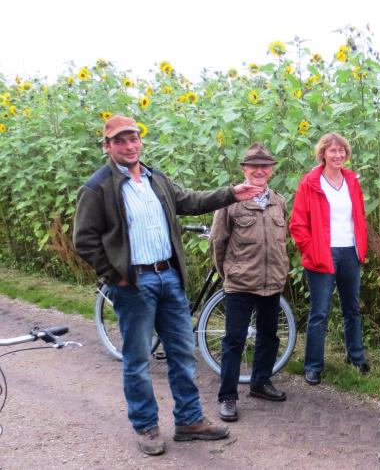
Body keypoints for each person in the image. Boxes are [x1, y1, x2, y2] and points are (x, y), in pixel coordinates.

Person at [73, 115, 263, 456]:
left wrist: (232, 193)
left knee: (181, 353)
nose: (129, 146)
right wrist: (115, 274)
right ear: (108, 146)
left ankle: (190, 421)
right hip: (133, 283)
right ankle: (146, 426)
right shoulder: (97, 187)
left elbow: (190, 201)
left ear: (140, 141)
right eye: (120, 141)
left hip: (168, 277)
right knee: (138, 359)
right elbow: (84, 240)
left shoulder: (154, 178)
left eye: (133, 139)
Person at [210, 143, 290, 423]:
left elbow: (282, 240)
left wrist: (281, 268)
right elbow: (218, 242)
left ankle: (260, 382)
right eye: (253, 166)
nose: (259, 171)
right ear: (244, 169)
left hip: (272, 282)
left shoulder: (279, 202)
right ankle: (228, 397)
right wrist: (229, 274)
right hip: (241, 283)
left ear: (271, 171)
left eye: (265, 166)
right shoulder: (230, 202)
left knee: (269, 336)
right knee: (234, 340)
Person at [289, 132, 369, 385]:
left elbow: (358, 216)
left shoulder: (351, 181)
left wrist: (361, 246)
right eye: (332, 151)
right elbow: (297, 223)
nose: (338, 155)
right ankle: (313, 365)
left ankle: (355, 356)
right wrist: (310, 250)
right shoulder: (310, 182)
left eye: (342, 151)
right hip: (322, 253)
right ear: (322, 154)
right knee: (320, 312)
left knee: (352, 308)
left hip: (349, 252)